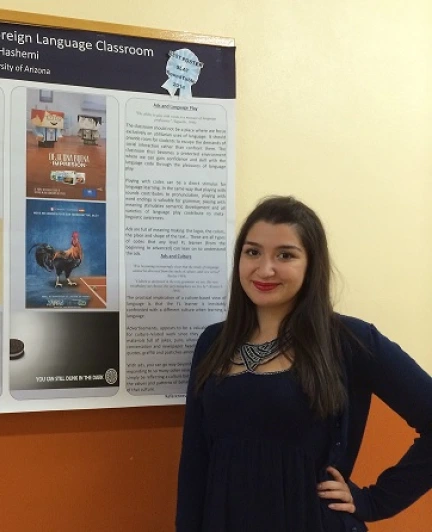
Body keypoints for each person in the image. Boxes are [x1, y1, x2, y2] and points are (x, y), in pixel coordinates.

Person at [175, 196, 432, 531]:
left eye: (285, 255)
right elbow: (195, 463)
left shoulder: (350, 341)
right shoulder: (213, 342)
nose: (264, 269)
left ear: (311, 264)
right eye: (252, 252)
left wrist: (374, 501)